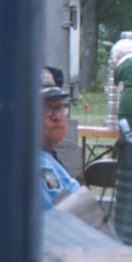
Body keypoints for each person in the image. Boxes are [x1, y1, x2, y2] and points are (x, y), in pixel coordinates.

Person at [39, 68, 80, 209]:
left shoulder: (46, 157)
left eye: (60, 107)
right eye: (46, 109)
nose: (57, 116)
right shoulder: (38, 164)